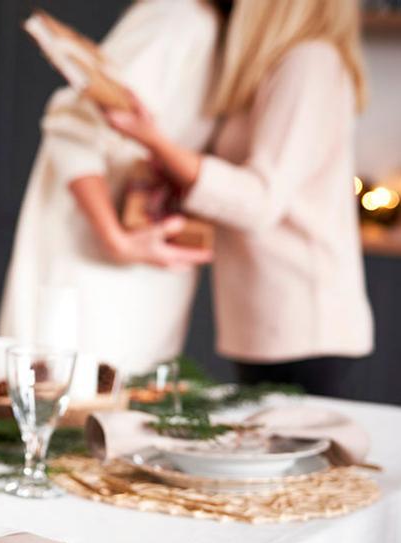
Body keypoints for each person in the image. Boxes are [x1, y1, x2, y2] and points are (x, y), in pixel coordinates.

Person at [103, 0, 373, 396]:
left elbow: (259, 202)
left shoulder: (310, 62)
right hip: (266, 322)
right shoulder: (280, 66)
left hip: (303, 323)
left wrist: (154, 141)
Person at [0, 0, 222, 374]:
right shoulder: (178, 19)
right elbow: (74, 126)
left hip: (141, 277)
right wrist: (115, 239)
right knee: (67, 405)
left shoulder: (206, 28)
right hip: (96, 278)